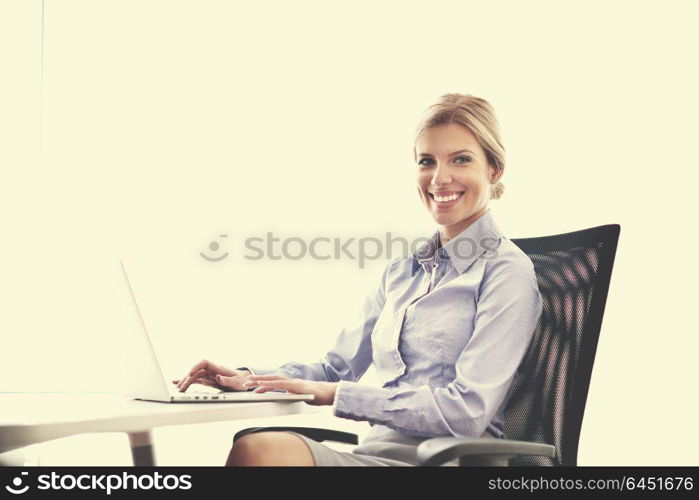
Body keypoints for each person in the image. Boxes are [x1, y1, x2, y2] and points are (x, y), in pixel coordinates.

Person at [172, 93, 544, 466]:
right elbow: (334, 368)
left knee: (262, 452)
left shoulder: (506, 271)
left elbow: (466, 411)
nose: (439, 177)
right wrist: (248, 378)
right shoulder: (404, 272)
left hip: (446, 463)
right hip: (376, 454)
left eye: (460, 159)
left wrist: (336, 395)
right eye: (426, 161)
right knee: (261, 445)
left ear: (494, 169)